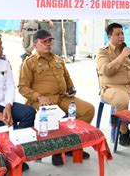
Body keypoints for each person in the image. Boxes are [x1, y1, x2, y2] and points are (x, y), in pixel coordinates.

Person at [18, 29, 94, 166]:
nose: (48, 44)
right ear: (35, 45)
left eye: (49, 41)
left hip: (62, 97)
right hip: (42, 101)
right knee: (54, 117)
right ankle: (56, 151)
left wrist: (71, 89)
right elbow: (22, 87)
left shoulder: (58, 59)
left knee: (87, 110)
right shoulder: (29, 63)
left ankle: (71, 146)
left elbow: (67, 78)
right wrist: (39, 97)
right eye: (44, 42)